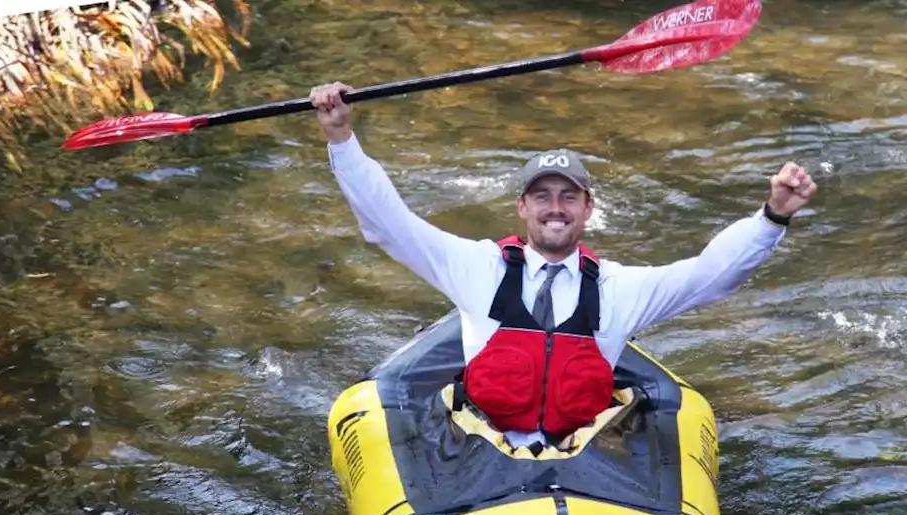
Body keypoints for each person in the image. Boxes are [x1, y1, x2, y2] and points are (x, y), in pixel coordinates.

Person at [311, 82, 817, 450]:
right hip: (485, 447)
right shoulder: (476, 267)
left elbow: (711, 274)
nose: (556, 207)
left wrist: (772, 215)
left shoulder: (619, 288)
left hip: (583, 453)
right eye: (543, 196)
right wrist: (342, 140)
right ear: (522, 208)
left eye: (568, 197)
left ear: (588, 209)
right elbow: (388, 225)